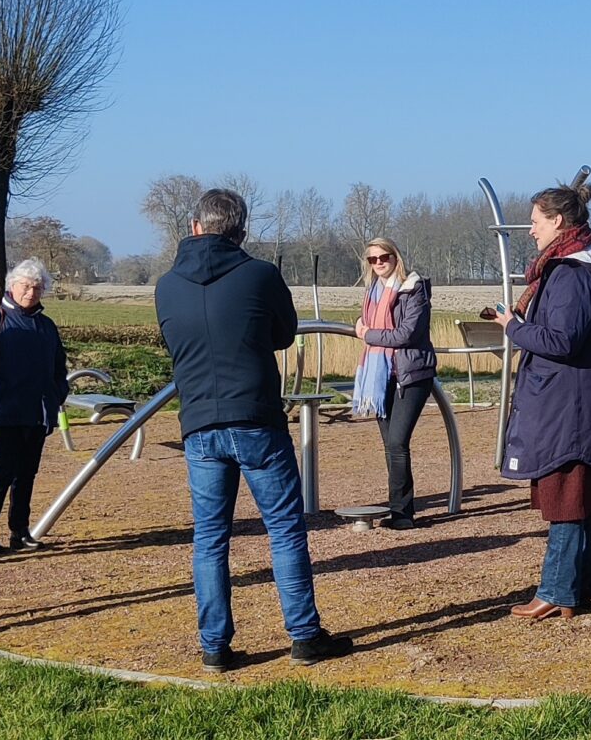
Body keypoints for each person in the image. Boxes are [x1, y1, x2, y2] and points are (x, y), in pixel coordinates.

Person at [154, 188, 353, 672]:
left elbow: (171, 342)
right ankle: (304, 636)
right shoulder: (260, 275)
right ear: (241, 230)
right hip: (257, 419)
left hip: (199, 422)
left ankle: (214, 646)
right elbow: (284, 335)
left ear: (194, 226)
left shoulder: (165, 285)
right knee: (284, 529)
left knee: (210, 538)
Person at [491, 179, 591, 620]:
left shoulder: (570, 273)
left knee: (567, 492)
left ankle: (557, 591)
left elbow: (562, 339)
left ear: (558, 221)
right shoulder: (575, 270)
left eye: (535, 222)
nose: (531, 230)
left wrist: (513, 326)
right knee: (590, 493)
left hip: (570, 403)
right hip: (577, 397)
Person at [0, 258, 69, 555]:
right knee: (3, 471)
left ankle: (20, 530)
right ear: (12, 286)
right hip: (5, 412)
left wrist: (55, 396)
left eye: (37, 287)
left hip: (37, 413)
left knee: (27, 474)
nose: (31, 292)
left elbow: (58, 367)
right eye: (26, 286)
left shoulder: (46, 326)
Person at [351, 236, 436, 529]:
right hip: (381, 376)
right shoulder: (373, 292)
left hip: (411, 375)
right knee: (390, 445)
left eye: (383, 258)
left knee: (398, 442)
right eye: (372, 260)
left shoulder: (414, 290)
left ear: (395, 257)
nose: (378, 264)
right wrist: (369, 333)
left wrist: (367, 334)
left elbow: (405, 335)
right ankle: (399, 508)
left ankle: (402, 514)